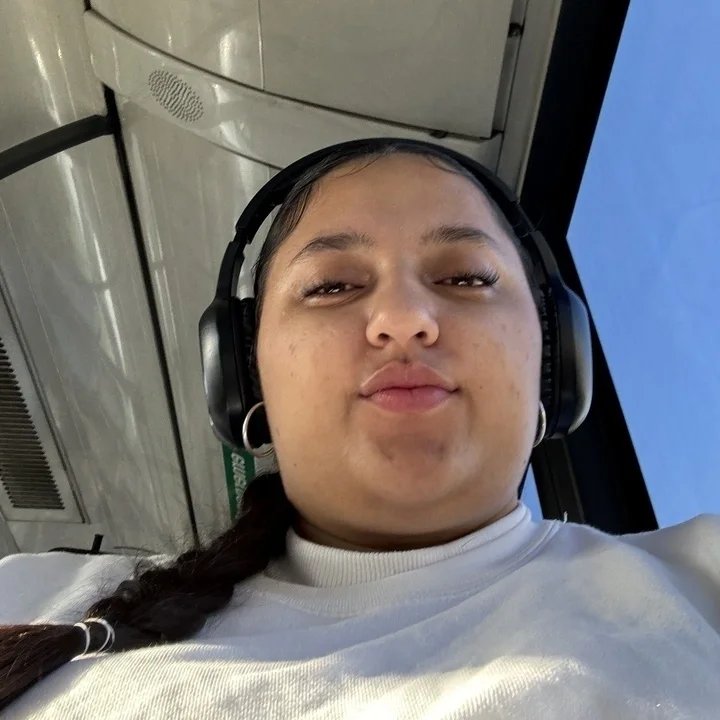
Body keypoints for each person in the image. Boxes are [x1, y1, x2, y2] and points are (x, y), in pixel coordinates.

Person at [1, 139, 719, 719]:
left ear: (553, 359)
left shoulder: (703, 581)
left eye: (467, 278)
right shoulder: (34, 594)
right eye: (332, 286)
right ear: (247, 376)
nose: (403, 319)